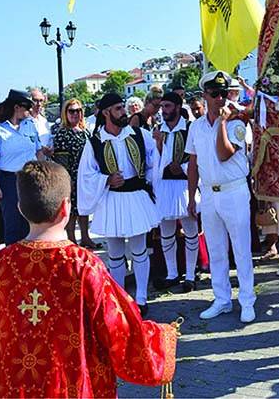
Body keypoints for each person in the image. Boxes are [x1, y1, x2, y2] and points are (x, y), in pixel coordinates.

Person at [0, 161, 178, 397]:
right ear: (65, 208)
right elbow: (120, 332)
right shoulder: (83, 266)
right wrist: (162, 337)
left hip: (15, 387)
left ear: (20, 208)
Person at [77, 93, 160, 314]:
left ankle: (141, 297)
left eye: (123, 107)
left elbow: (154, 163)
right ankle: (119, 299)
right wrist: (106, 180)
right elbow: (86, 174)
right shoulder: (94, 142)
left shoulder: (140, 135)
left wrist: (148, 183)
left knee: (139, 249)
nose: (123, 112)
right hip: (111, 199)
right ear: (105, 113)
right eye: (118, 109)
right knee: (114, 251)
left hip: (136, 196)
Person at [186, 71, 256, 323]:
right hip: (209, 192)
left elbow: (224, 153)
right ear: (205, 96)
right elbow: (193, 162)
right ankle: (222, 299)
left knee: (241, 248)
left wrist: (223, 124)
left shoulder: (237, 123)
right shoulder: (195, 126)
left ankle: (247, 300)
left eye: (223, 94)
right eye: (214, 94)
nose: (220, 99)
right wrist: (191, 196)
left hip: (233, 190)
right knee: (215, 249)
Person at [152, 92, 200, 292]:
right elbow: (154, 161)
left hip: (184, 184)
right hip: (164, 185)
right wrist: (158, 144)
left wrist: (182, 167)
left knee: (190, 229)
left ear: (178, 107)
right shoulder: (157, 131)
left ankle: (190, 274)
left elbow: (198, 157)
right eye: (162, 106)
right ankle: (172, 273)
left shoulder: (189, 129)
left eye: (168, 106)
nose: (164, 111)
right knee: (166, 231)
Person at [0, 89, 44, 245]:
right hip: (10, 179)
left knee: (32, 219)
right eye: (27, 107)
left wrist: (44, 174)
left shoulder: (30, 125)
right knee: (13, 223)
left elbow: (39, 151)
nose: (30, 111)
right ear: (17, 108)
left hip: (31, 177)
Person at [52, 98, 101, 249]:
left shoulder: (85, 131)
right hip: (70, 175)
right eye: (71, 111)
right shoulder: (62, 133)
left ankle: (85, 237)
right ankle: (71, 239)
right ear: (65, 113)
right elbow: (61, 159)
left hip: (84, 176)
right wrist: (67, 180)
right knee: (71, 209)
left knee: (84, 207)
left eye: (78, 110)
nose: (75, 114)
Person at [29, 88, 54, 157]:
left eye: (41, 101)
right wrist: (41, 148)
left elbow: (49, 139)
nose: (39, 104)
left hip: (43, 162)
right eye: (35, 100)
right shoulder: (24, 121)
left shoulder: (44, 121)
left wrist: (51, 148)